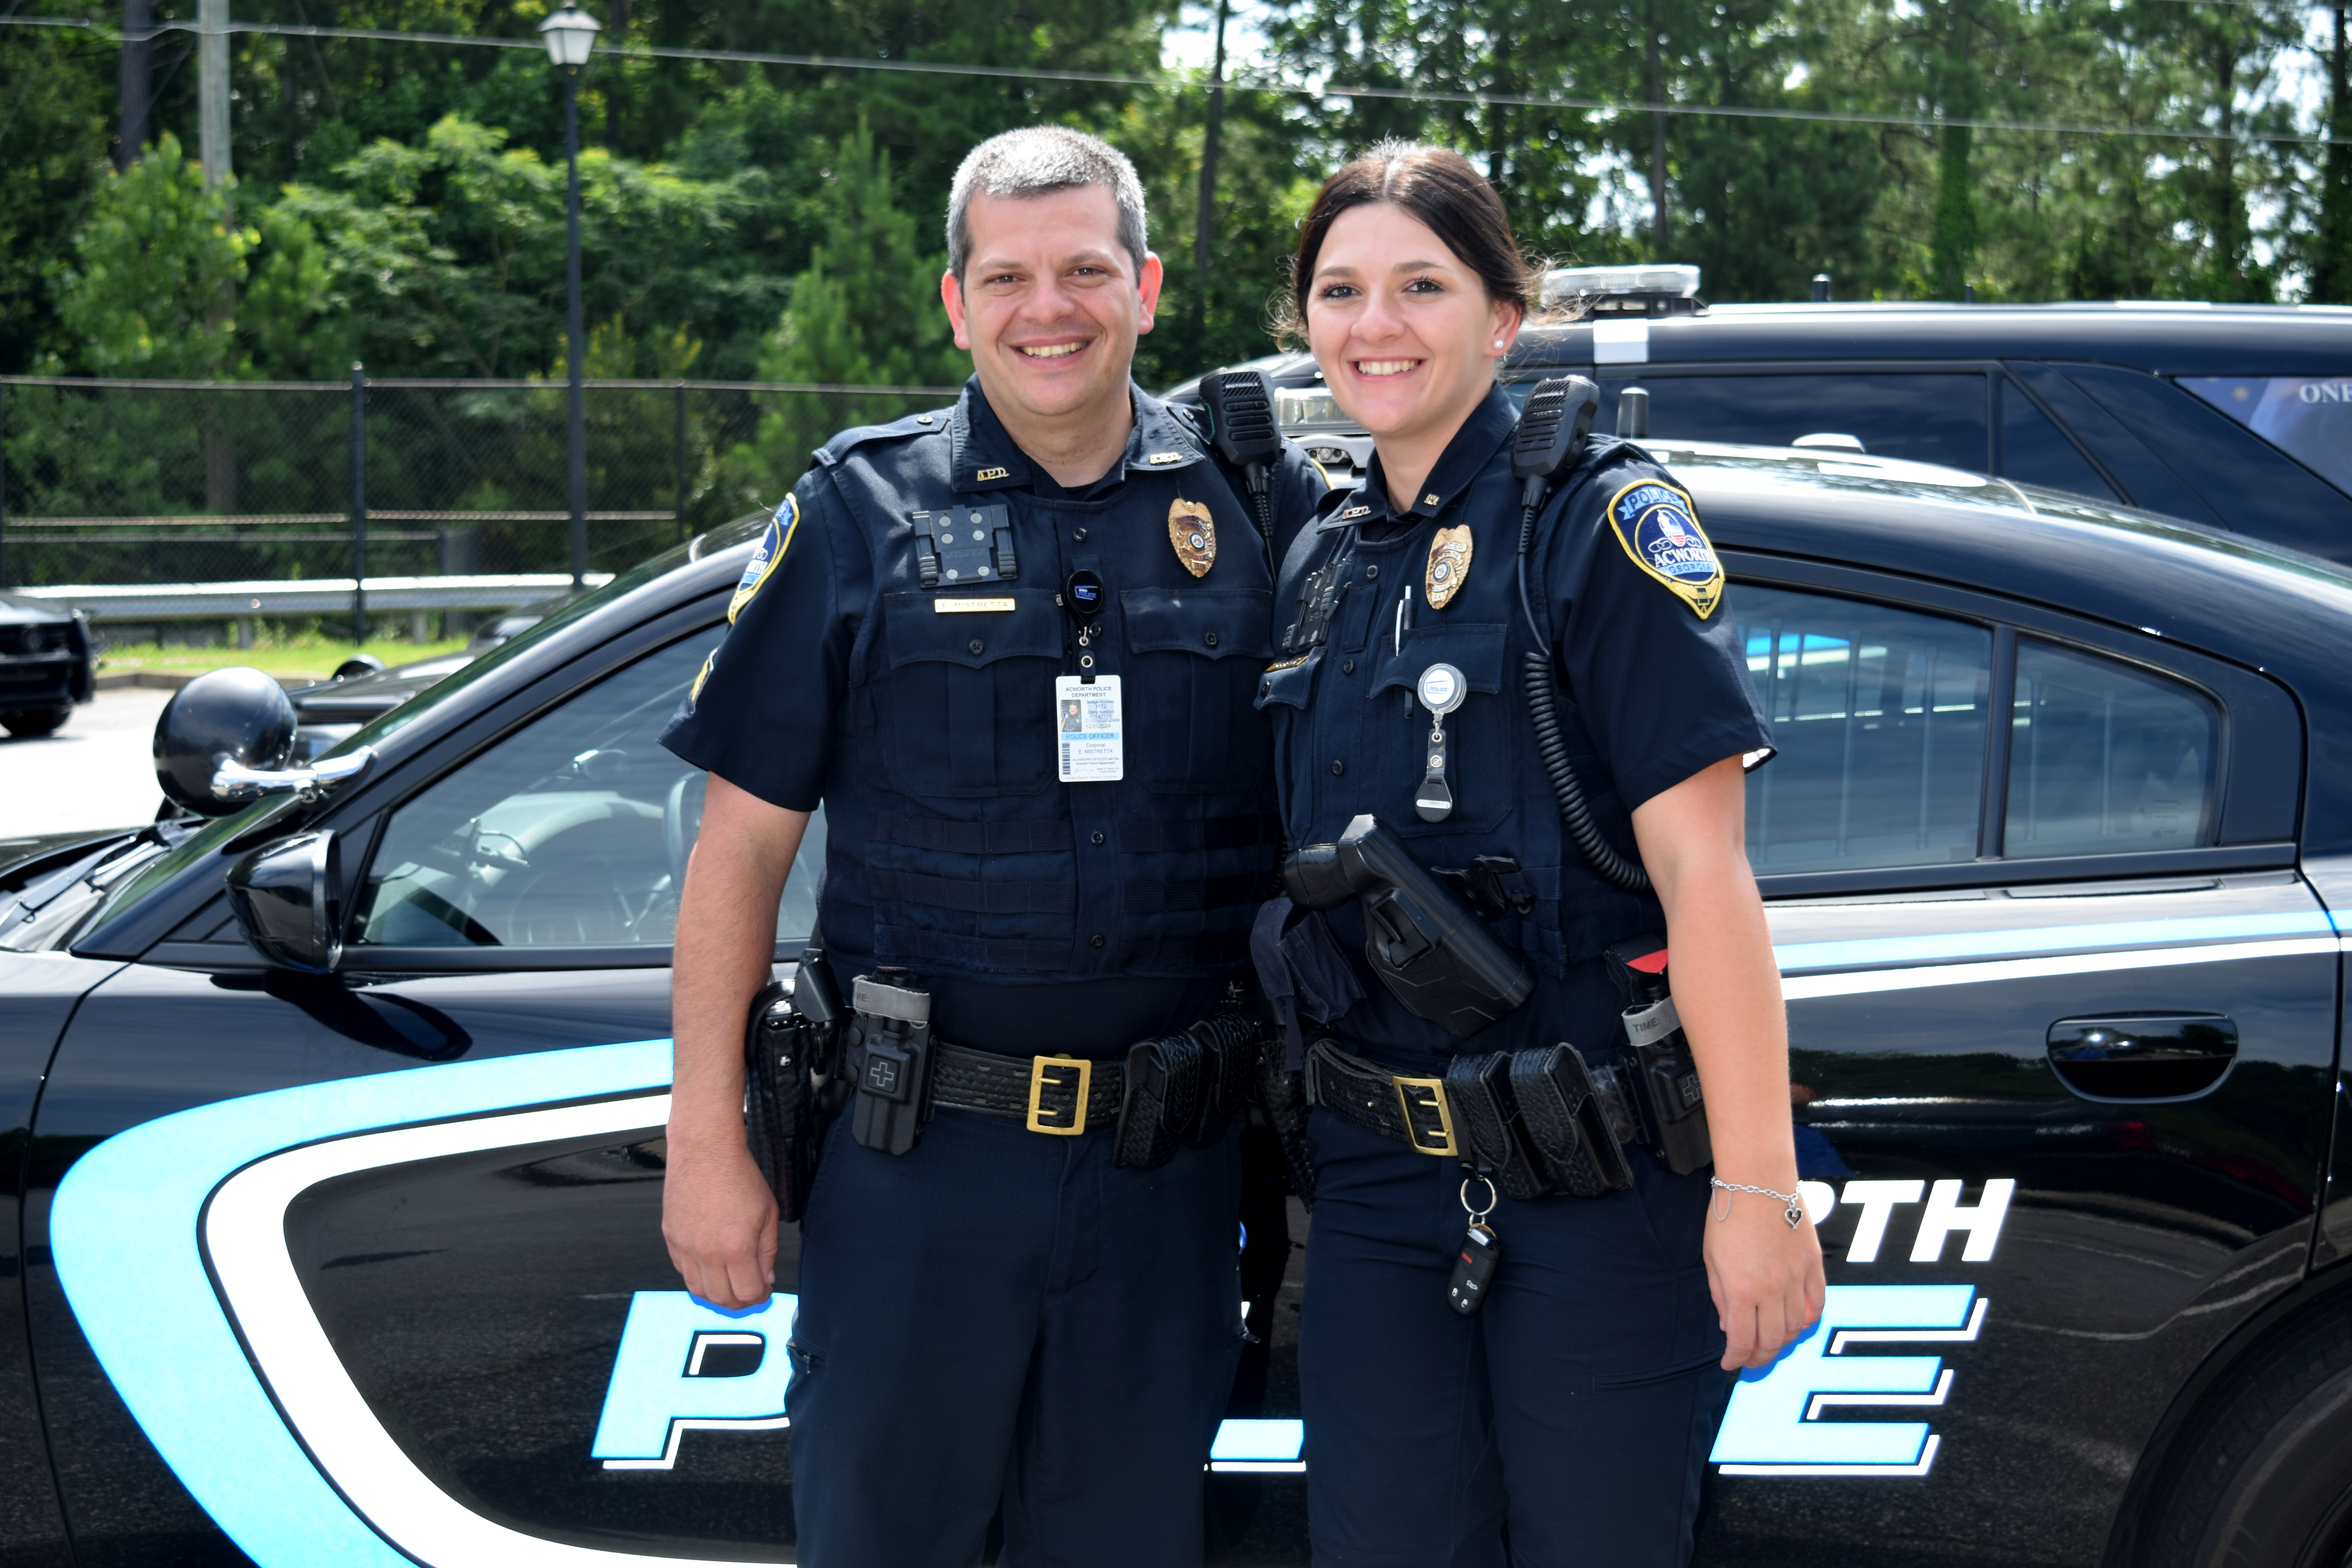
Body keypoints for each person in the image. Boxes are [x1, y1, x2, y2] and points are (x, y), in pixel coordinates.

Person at [656, 125, 1323, 1566]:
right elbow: (740, 850)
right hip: (920, 1170)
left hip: (1174, 1171)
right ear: (955, 303)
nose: (1051, 309)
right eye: (1009, 275)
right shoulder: (857, 510)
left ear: (1144, 285)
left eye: (1087, 268)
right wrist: (705, 1142)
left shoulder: (1258, 509)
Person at [1252, 142, 1824, 1566]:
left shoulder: (1596, 527)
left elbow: (1708, 878)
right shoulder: (1323, 555)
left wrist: (1758, 1189)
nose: (1374, 326)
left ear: (1505, 316)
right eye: (1341, 291)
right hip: (1380, 1196)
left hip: (1598, 1184)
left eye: (1420, 287)